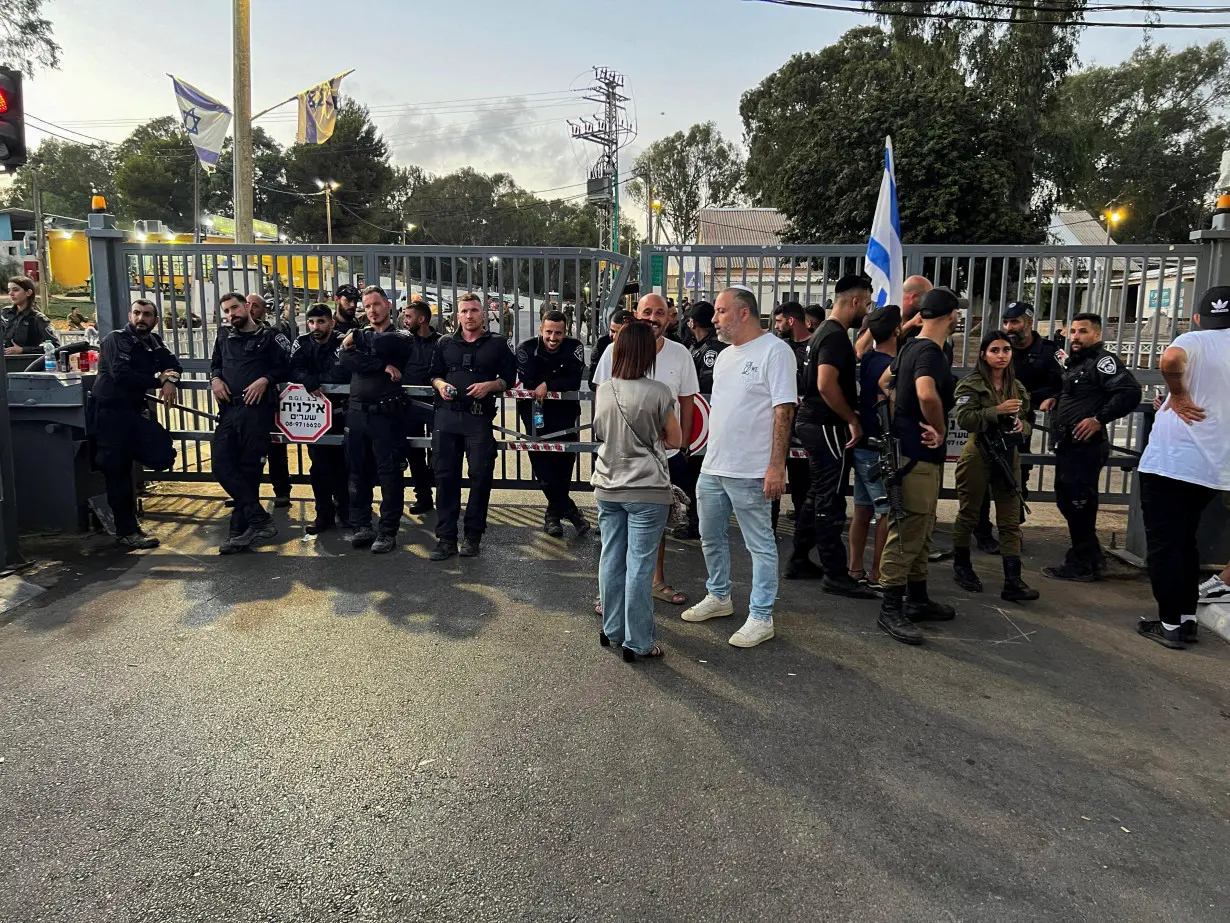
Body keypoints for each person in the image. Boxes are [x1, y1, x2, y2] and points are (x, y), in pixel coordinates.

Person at [681, 287, 797, 648]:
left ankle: (761, 616)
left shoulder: (776, 352)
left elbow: (784, 410)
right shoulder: (728, 356)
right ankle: (719, 597)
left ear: (743, 313)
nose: (713, 319)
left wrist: (776, 466)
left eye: (720, 311)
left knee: (759, 544)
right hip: (714, 466)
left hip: (750, 470)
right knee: (710, 535)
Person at [1134, 286, 1230, 648]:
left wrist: (1177, 393)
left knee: (1165, 545)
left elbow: (1171, 359)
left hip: (1173, 462)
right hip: (1213, 465)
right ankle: (1186, 619)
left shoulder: (1193, 338)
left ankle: (1170, 624)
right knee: (1186, 542)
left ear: (1198, 317)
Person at [592, 294, 699, 606]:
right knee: (617, 539)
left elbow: (688, 401)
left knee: (654, 530)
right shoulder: (614, 351)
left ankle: (656, 581)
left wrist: (684, 444)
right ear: (636, 315)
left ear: (671, 317)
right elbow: (601, 400)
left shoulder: (680, 354)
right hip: (619, 460)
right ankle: (611, 595)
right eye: (647, 311)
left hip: (663, 459)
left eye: (660, 312)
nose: (654, 317)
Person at [591, 321, 682, 662]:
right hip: (647, 489)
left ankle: (611, 631)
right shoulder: (659, 392)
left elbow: (601, 432)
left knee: (611, 559)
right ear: (647, 352)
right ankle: (639, 641)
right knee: (639, 567)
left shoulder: (604, 390)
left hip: (608, 485)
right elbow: (676, 439)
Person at [875, 288, 961, 644]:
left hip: (912, 455)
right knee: (908, 531)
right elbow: (926, 392)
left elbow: (885, 383)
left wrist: (903, 410)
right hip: (916, 457)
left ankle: (918, 599)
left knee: (922, 530)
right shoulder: (929, 351)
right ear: (951, 316)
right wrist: (938, 429)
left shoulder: (911, 346)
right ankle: (891, 609)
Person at [786, 275, 875, 598]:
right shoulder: (834, 336)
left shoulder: (824, 332)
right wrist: (851, 418)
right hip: (826, 424)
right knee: (830, 497)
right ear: (854, 301)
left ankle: (798, 559)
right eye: (866, 303)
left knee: (818, 492)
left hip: (815, 422)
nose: (866, 310)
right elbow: (825, 384)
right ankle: (835, 572)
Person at [1040, 313, 1142, 582]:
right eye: (1072, 331)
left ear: (1097, 335)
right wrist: (1055, 398)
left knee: (1079, 505)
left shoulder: (1103, 361)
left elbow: (1129, 392)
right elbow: (1077, 392)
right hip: (1069, 445)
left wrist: (1099, 419)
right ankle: (1092, 557)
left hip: (1085, 447)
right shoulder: (1077, 363)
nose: (1075, 336)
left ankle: (1082, 565)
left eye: (1082, 331)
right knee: (1069, 503)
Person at [950, 332, 1040, 602]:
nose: (1002, 355)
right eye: (995, 350)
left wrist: (1020, 426)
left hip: (1008, 454)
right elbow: (965, 419)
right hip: (979, 453)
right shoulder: (972, 384)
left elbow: (1026, 422)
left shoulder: (1018, 386)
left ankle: (1013, 580)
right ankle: (962, 566)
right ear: (983, 355)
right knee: (969, 514)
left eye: (1006, 350)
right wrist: (997, 411)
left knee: (1010, 519)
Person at [428, 292, 517, 560]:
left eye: (474, 311)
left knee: (480, 477)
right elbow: (433, 375)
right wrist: (441, 385)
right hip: (446, 418)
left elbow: (509, 379)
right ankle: (445, 538)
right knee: (445, 478)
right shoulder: (444, 343)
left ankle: (473, 537)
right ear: (457, 315)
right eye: (464, 311)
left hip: (478, 419)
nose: (469, 316)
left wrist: (490, 385)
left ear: (483, 314)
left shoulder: (498, 344)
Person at [89, 299, 181, 550]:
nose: (142, 318)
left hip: (132, 413)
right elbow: (121, 374)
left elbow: (173, 364)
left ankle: (129, 524)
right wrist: (157, 380)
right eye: (137, 314)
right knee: (117, 473)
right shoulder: (115, 339)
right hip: (109, 413)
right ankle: (127, 531)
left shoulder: (153, 341)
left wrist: (170, 379)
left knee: (162, 454)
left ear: (155, 319)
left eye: (147, 314)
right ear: (130, 315)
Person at [973, 302, 1063, 552]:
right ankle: (982, 532)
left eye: (1015, 322)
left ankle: (1011, 528)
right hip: (991, 423)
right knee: (982, 478)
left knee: (1017, 476)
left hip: (1021, 425)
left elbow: (1063, 383)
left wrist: (1039, 398)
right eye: (1006, 322)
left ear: (1029, 323)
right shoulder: (999, 347)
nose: (1009, 328)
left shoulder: (1050, 351)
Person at [209, 292, 290, 555]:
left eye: (234, 308)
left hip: (256, 412)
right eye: (226, 311)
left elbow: (286, 366)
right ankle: (259, 519)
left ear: (246, 307)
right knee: (221, 465)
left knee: (248, 470)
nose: (231, 315)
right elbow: (216, 364)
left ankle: (237, 534)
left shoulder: (270, 336)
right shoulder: (223, 336)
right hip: (230, 410)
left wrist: (266, 378)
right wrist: (215, 379)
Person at [338, 286, 413, 554]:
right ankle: (361, 525)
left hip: (386, 416)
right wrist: (380, 365)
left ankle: (387, 531)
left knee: (390, 474)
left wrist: (355, 337)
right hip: (357, 414)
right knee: (357, 473)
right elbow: (344, 358)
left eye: (376, 304)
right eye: (366, 306)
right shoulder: (363, 336)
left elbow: (383, 344)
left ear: (388, 305)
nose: (371, 310)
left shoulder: (401, 335)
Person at [516, 310, 589, 537]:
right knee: (544, 471)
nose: (553, 338)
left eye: (558, 333)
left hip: (565, 416)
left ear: (565, 332)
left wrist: (547, 383)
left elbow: (573, 380)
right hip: (534, 417)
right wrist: (552, 381)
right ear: (541, 330)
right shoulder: (526, 348)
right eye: (548, 332)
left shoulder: (574, 347)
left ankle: (553, 516)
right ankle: (572, 512)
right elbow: (527, 380)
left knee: (564, 469)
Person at [848, 305, 900, 590]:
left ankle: (855, 568)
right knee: (886, 511)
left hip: (863, 442)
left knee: (862, 509)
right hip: (881, 444)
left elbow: (860, 346)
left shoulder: (868, 358)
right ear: (897, 331)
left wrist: (872, 328)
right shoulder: (891, 364)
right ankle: (877, 573)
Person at [289, 304, 350, 534]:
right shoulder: (302, 343)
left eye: (321, 322)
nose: (316, 327)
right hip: (314, 420)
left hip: (341, 414)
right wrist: (307, 379)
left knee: (345, 466)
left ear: (331, 322)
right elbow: (292, 369)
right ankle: (323, 515)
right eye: (312, 322)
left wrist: (319, 380)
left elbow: (344, 371)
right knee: (319, 469)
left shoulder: (342, 341)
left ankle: (346, 513)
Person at [673, 301, 724, 540]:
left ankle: (697, 522)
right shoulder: (694, 347)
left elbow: (705, 384)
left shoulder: (711, 350)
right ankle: (694, 518)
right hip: (695, 421)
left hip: (705, 423)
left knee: (699, 473)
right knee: (693, 472)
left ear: (693, 322)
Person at [248, 293, 295, 508]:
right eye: (246, 304)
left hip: (269, 399)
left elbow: (288, 362)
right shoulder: (228, 335)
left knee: (275, 447)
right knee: (245, 450)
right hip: (242, 403)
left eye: (255, 306)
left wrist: (268, 379)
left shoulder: (273, 335)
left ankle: (282, 491)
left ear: (263, 310)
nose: (250, 309)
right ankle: (245, 493)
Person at [770, 300, 812, 533]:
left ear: (791, 320)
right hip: (777, 427)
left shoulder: (815, 346)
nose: (776, 326)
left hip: (804, 430)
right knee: (773, 483)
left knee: (802, 486)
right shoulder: (778, 347)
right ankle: (770, 530)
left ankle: (802, 536)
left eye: (779, 321)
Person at [401, 298, 441, 515]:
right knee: (414, 453)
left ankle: (442, 494)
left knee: (440, 453)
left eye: (408, 317)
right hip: (409, 406)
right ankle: (423, 497)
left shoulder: (442, 342)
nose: (404, 321)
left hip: (437, 405)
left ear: (422, 318)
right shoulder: (402, 341)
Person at [855, 275, 932, 359]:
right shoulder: (879, 315)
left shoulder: (923, 321)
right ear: (913, 297)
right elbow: (861, 351)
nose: (929, 302)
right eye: (927, 298)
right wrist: (909, 325)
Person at [2, 276, 57, 356]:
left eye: (15, 290)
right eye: (9, 290)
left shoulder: (38, 318)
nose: (10, 293)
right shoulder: (5, 313)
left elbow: (55, 346)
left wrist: (22, 350)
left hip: (27, 364)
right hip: (3, 363)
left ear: (28, 292)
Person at [588, 310, 634, 391]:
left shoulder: (639, 346)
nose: (614, 336)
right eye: (612, 331)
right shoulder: (602, 344)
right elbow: (593, 382)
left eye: (620, 333)